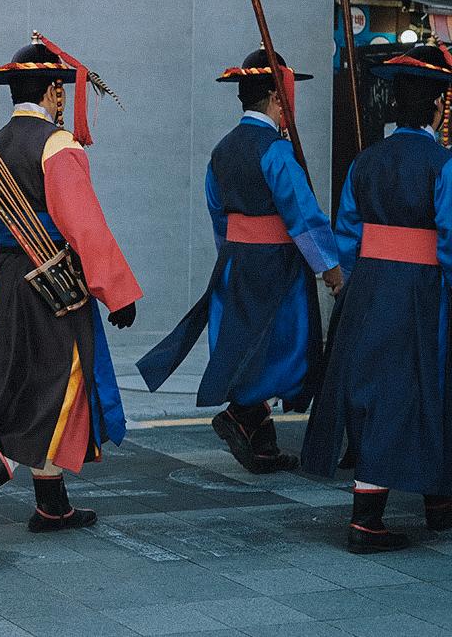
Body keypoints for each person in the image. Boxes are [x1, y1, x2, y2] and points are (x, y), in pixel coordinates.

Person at [0, 34, 141, 548]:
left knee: (28, 383)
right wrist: (116, 290)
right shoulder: (56, 144)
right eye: (58, 92)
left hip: (4, 281)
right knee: (58, 388)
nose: (60, 101)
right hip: (49, 284)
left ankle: (51, 505)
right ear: (52, 91)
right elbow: (83, 225)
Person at [137, 49, 341, 474]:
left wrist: (228, 255)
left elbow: (217, 211)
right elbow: (301, 212)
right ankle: (243, 417)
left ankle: (261, 444)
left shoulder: (222, 150)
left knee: (246, 346)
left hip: (234, 261)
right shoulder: (277, 151)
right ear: (274, 96)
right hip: (277, 264)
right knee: (288, 349)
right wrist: (328, 264)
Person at [301, 44, 452, 553]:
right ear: (437, 106)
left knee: (373, 386)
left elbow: (347, 231)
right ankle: (377, 519)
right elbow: (450, 237)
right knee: (428, 385)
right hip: (425, 287)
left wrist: (350, 280)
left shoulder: (365, 162)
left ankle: (423, 503)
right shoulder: (444, 164)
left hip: (368, 285)